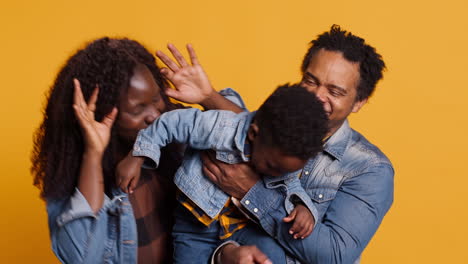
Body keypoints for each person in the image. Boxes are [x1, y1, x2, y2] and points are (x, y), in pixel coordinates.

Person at [31, 37, 244, 263]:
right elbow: (82, 257)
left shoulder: (176, 138)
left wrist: (208, 97)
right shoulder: (79, 175)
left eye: (156, 99)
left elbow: (255, 146)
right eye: (137, 109)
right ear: (102, 113)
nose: (154, 115)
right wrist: (93, 154)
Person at [205, 25, 394, 264]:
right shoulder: (266, 131)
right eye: (310, 81)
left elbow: (335, 255)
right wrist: (224, 254)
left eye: (334, 91)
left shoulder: (370, 169)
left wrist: (251, 191)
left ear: (359, 102)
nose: (317, 96)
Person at [117, 84, 328, 263]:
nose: (277, 174)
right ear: (254, 134)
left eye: (285, 171)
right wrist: (138, 156)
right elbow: (171, 123)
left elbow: (290, 184)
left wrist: (303, 207)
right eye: (273, 167)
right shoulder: (220, 127)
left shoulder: (285, 158)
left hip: (245, 225)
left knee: (273, 256)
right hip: (195, 227)